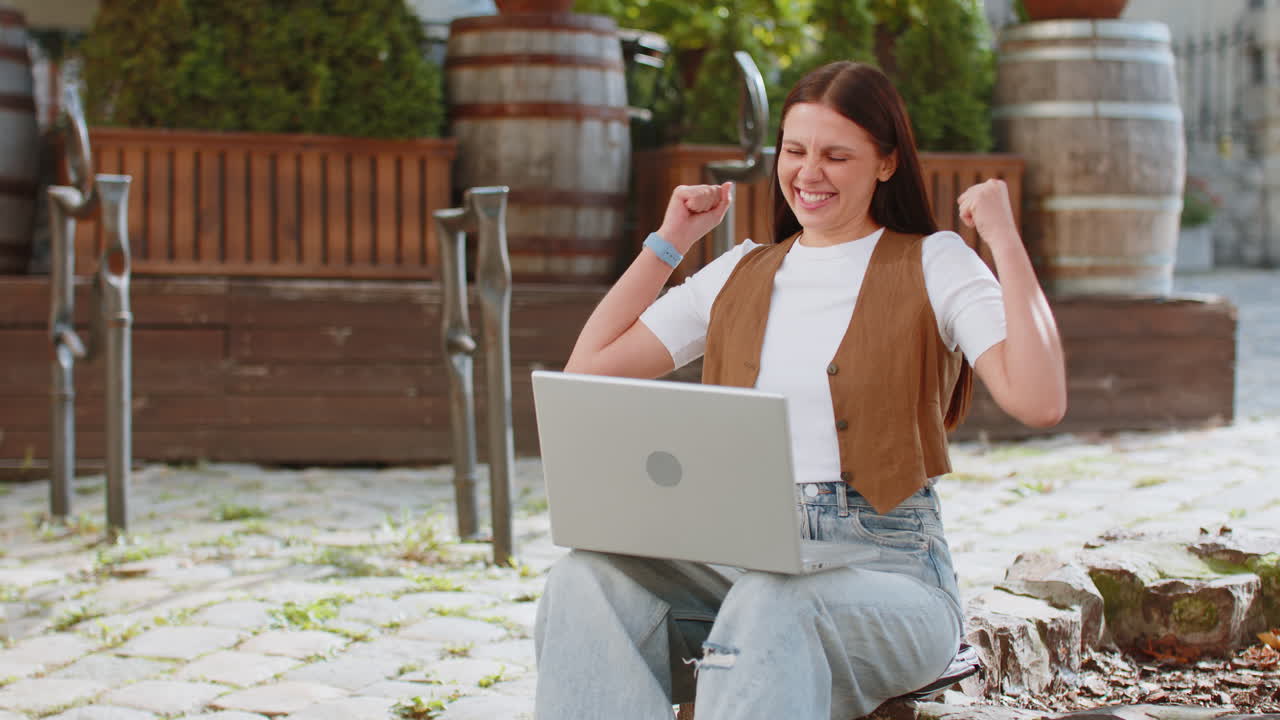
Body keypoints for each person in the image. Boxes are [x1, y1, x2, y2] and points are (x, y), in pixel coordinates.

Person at [533, 61, 1067, 720]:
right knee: (583, 581)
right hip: (739, 558)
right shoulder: (739, 272)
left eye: (836, 155)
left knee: (773, 598)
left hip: (888, 573)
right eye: (795, 150)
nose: (808, 173)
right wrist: (669, 243)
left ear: (885, 163)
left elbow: (1039, 400)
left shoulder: (935, 262)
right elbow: (588, 372)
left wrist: (1003, 239)